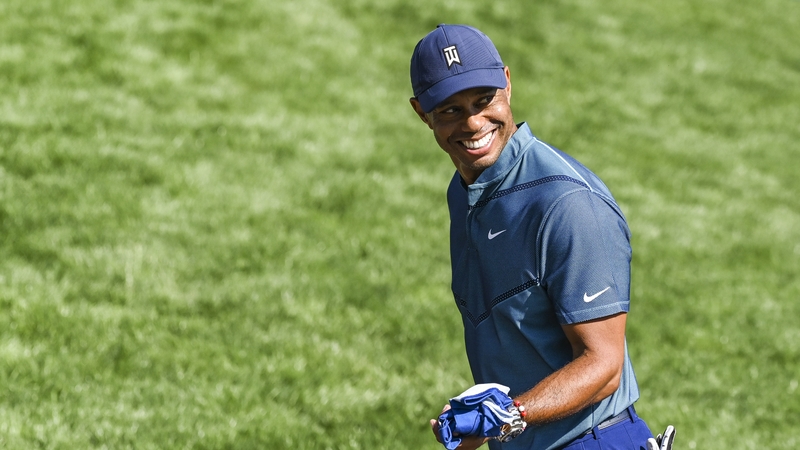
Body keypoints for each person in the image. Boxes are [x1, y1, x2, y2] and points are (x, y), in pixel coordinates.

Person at [408, 24, 670, 450]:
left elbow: (604, 366)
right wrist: (483, 422)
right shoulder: (465, 192)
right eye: (451, 110)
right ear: (422, 112)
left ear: (507, 84)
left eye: (484, 100)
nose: (473, 123)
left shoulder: (567, 204)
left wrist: (506, 416)